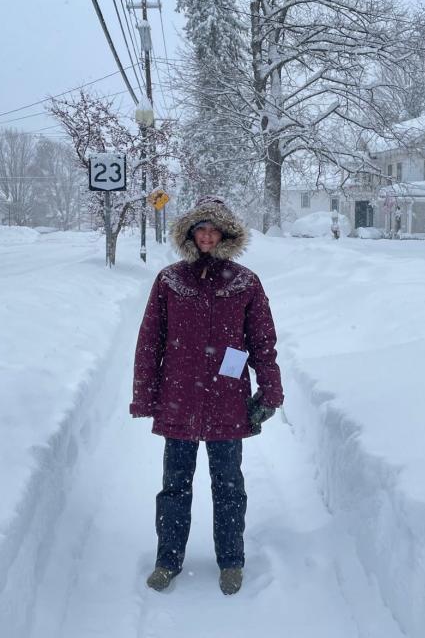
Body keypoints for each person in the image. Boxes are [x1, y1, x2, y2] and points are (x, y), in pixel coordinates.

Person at [131, 195, 284, 596]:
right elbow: (150, 340)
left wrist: (269, 392)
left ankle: (231, 561)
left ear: (226, 235)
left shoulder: (245, 282)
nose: (207, 236)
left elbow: (263, 342)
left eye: (215, 230)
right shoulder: (169, 280)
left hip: (227, 401)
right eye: (201, 229)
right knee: (175, 485)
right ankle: (168, 561)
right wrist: (145, 396)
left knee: (229, 485)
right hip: (178, 399)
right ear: (190, 234)